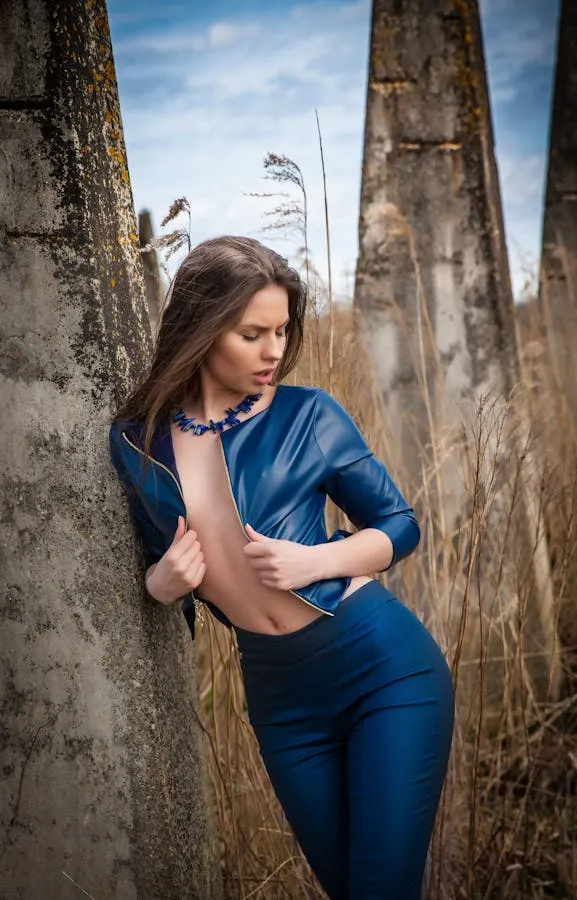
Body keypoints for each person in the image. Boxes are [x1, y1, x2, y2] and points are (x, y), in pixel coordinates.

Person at [109, 235, 454, 900]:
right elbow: (158, 561)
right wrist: (159, 585)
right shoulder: (135, 442)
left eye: (282, 330)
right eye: (252, 334)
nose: (273, 350)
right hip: (282, 700)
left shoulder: (309, 414)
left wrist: (316, 559)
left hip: (381, 669)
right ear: (201, 329)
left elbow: (399, 524)